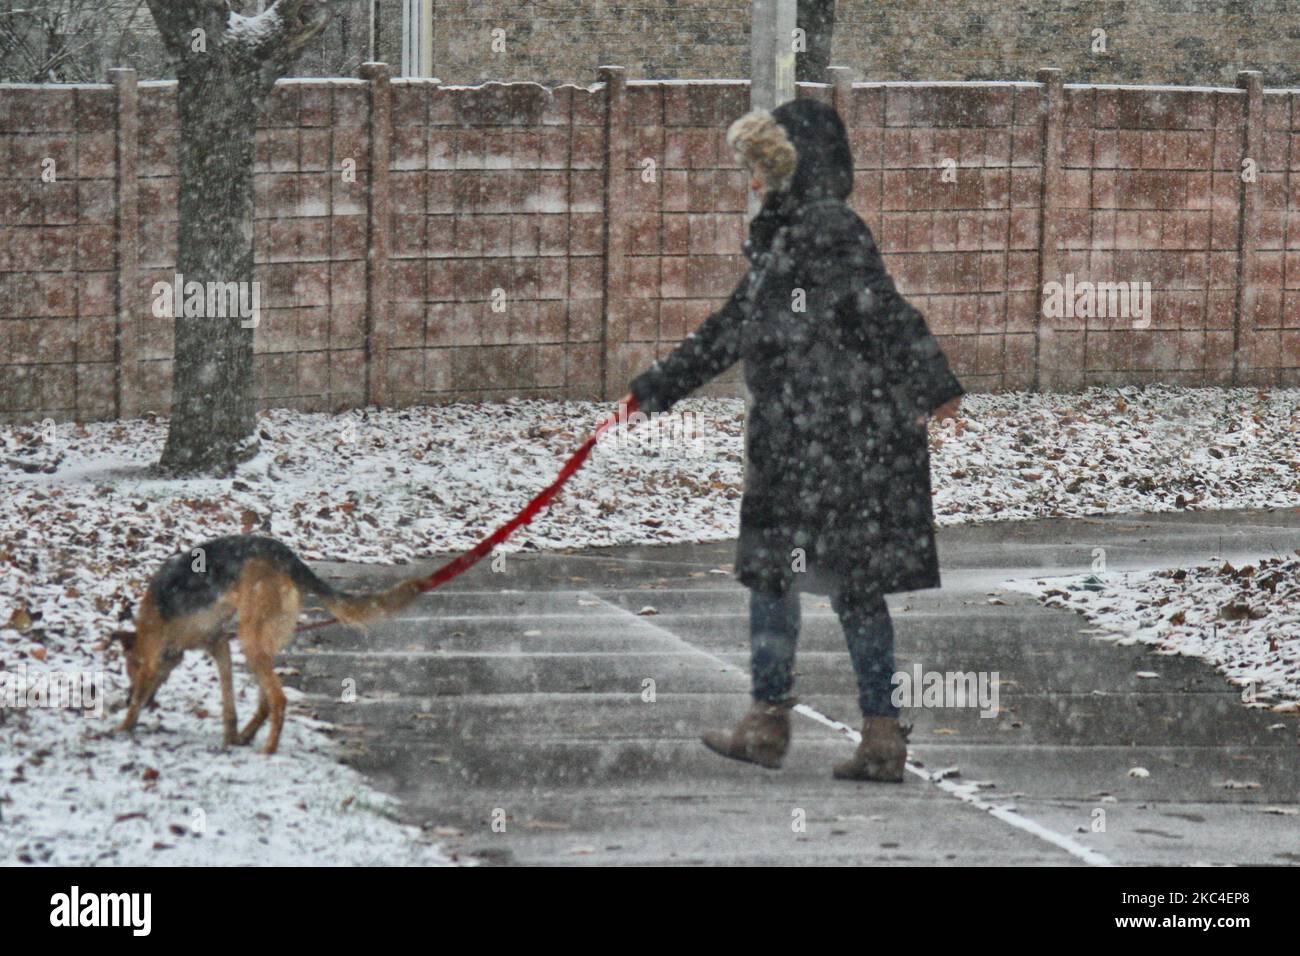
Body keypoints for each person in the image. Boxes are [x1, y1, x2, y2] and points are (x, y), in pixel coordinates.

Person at [622, 98, 963, 782]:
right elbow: (734, 327)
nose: (750, 183)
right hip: (832, 435)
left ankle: (773, 723)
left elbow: (880, 306)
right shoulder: (795, 231)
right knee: (847, 583)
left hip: (828, 436)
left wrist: (935, 382)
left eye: (759, 168)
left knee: (779, 573)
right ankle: (876, 736)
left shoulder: (824, 228)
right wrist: (656, 388)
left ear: (790, 167)